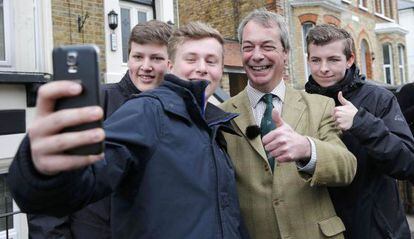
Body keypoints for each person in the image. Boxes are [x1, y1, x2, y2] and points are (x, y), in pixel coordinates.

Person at [7, 21, 249, 239]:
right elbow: (84, 179)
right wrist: (43, 170)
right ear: (172, 65)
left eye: (211, 61)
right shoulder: (146, 111)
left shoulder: (215, 125)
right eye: (191, 59)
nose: (202, 68)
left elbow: (224, 212)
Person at [26, 20, 172, 239]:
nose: (146, 66)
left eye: (156, 58)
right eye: (138, 56)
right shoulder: (92, 104)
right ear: (128, 58)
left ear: (170, 63)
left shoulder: (178, 114)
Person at [220, 10, 357, 239]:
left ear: (285, 53)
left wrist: (306, 149)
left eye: (267, 46)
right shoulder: (222, 116)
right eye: (248, 47)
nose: (256, 55)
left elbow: (346, 168)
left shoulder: (320, 106)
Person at [304, 24, 414, 239]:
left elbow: (408, 163)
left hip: (377, 230)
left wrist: (362, 124)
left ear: (350, 59)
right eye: (316, 60)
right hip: (322, 230)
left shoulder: (379, 98)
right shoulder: (301, 102)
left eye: (333, 60)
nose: (323, 68)